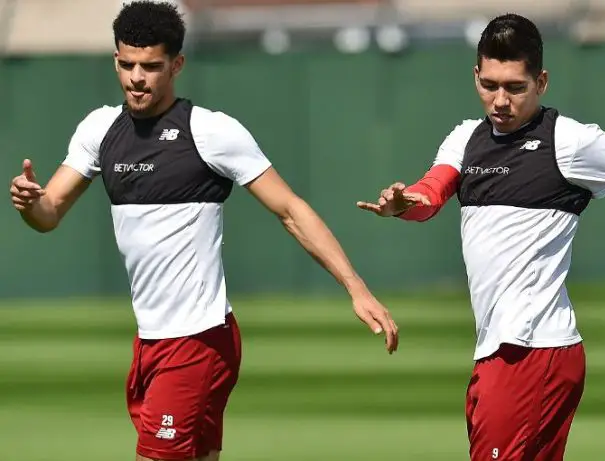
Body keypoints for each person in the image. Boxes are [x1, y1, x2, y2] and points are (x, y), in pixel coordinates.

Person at [8, 2, 398, 461]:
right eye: (126, 64)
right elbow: (49, 213)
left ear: (177, 64)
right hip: (151, 341)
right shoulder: (100, 129)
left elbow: (291, 210)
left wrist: (356, 289)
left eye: (151, 66)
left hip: (195, 342)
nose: (137, 77)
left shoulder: (210, 132)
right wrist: (29, 205)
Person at [357, 13, 605, 461]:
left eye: (515, 87)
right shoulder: (465, 138)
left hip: (533, 351)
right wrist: (404, 203)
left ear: (541, 82)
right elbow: (431, 193)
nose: (500, 100)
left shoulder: (575, 143)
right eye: (489, 84)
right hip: (501, 351)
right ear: (475, 76)